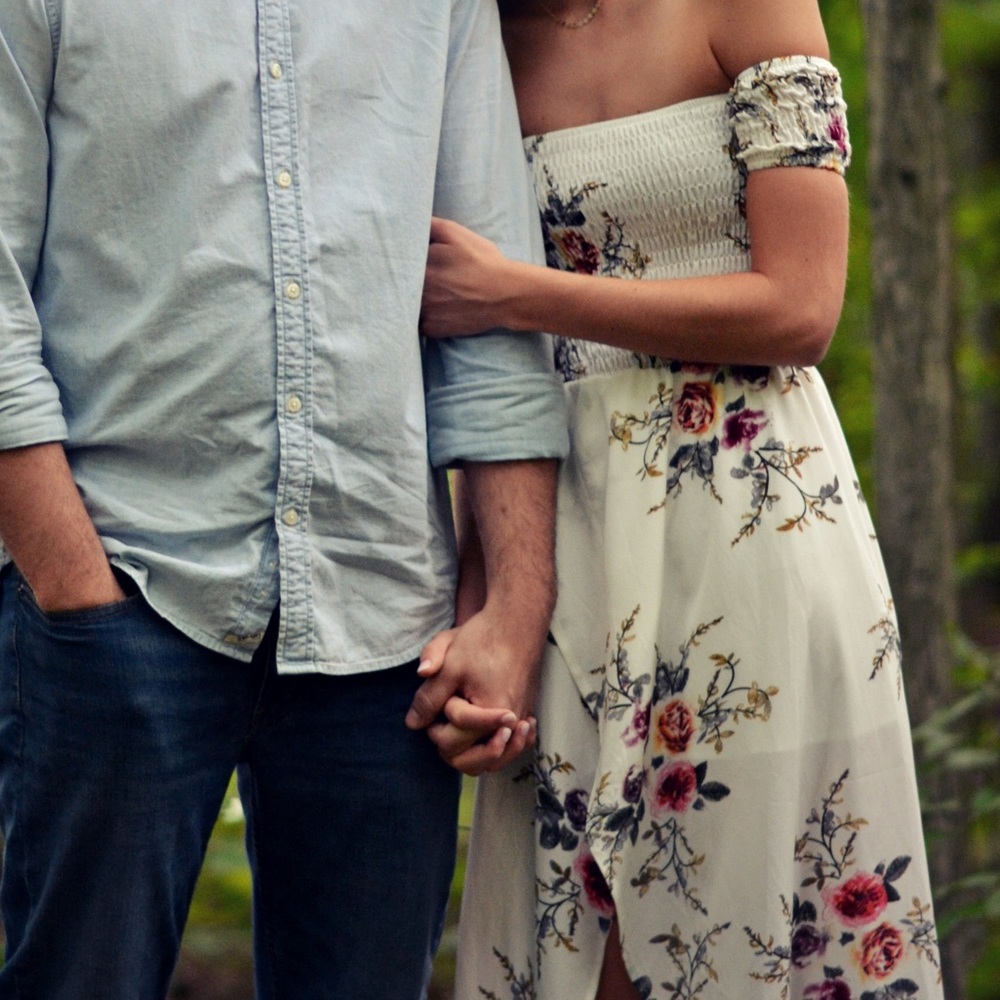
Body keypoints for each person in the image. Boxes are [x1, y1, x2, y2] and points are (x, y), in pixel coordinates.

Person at [0, 1, 568, 998]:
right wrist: (73, 587)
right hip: (123, 589)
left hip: (385, 630)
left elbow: (494, 307)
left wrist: (515, 610)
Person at [417, 1, 946, 997]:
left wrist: (517, 292)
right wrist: (483, 602)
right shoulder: (471, 36)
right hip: (557, 531)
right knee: (583, 933)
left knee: (746, 909)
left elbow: (800, 307)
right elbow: (484, 377)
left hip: (749, 521)